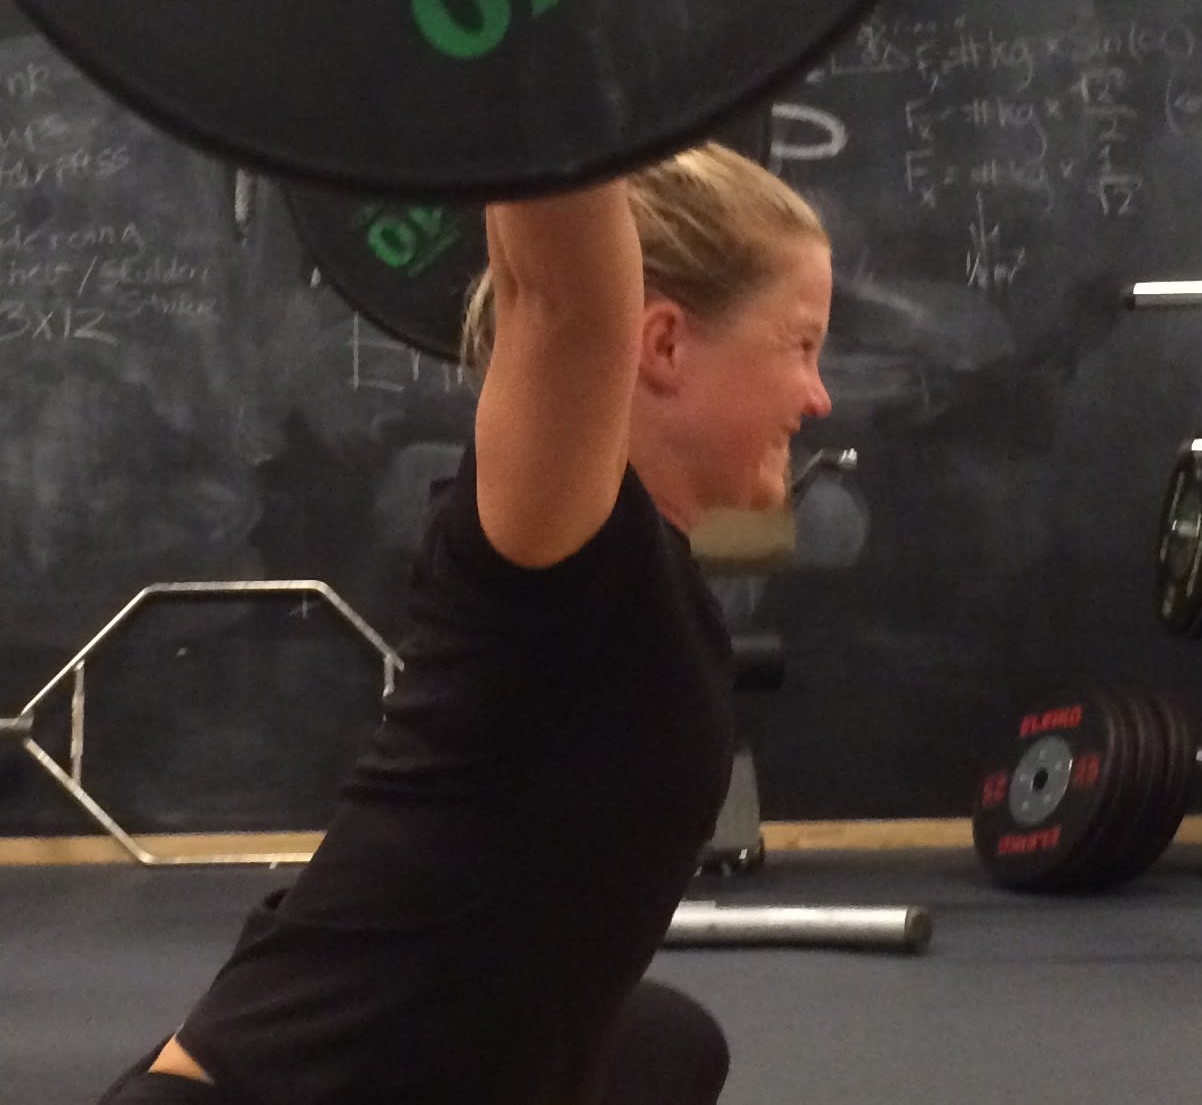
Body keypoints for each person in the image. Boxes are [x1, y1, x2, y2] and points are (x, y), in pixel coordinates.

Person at [103, 141, 835, 1105]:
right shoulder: (571, 549)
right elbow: (565, 298)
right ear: (660, 343)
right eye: (801, 345)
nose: (819, 394)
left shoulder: (651, 568)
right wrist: (517, 55)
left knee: (665, 1044)